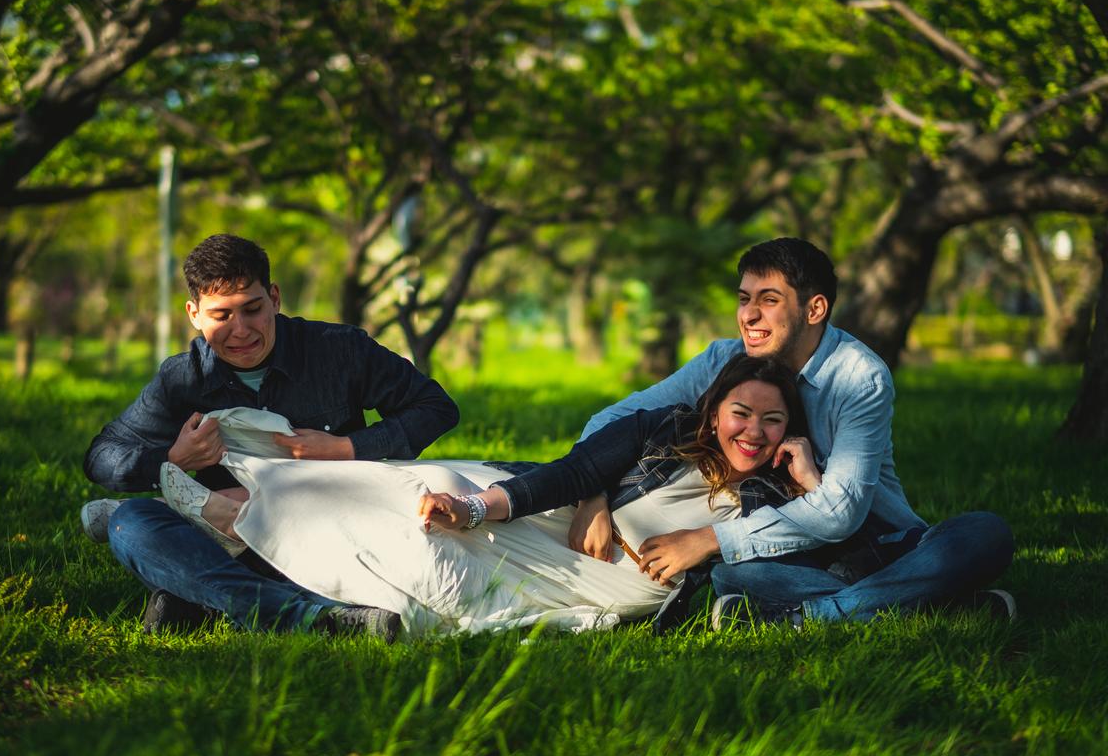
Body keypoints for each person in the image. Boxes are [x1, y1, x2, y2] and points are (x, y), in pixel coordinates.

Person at [150, 355, 824, 638]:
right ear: (712, 413)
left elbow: (830, 558)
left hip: (601, 584)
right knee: (423, 498)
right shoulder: (660, 430)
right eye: (742, 413)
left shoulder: (774, 499)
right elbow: (567, 472)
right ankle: (233, 508)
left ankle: (223, 532)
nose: (755, 433)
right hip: (556, 527)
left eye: (773, 421)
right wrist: (482, 507)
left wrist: (813, 487)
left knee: (432, 569)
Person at [563, 237, 1015, 628]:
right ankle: (932, 606)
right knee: (732, 574)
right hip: (786, 552)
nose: (749, 316)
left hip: (874, 544)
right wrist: (593, 492)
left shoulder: (859, 377)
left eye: (769, 300)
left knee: (985, 534)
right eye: (744, 299)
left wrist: (706, 539)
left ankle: (805, 617)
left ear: (815, 307)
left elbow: (840, 514)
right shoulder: (723, 360)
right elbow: (613, 419)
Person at [81, 234, 460, 640]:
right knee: (130, 523)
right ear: (194, 314)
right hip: (237, 541)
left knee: (185, 549)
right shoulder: (181, 377)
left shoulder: (340, 350)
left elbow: (435, 408)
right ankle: (320, 620)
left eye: (253, 309)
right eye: (221, 315)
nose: (240, 330)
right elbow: (101, 456)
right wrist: (173, 459)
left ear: (275, 299)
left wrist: (345, 448)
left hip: (339, 532)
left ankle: (206, 605)